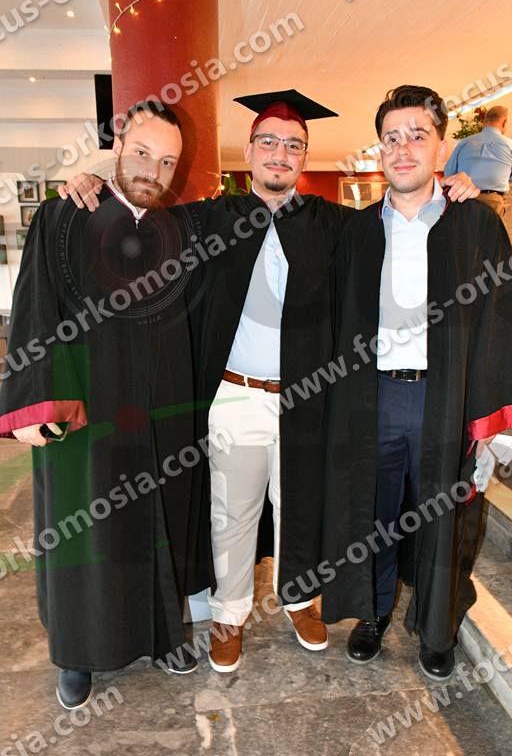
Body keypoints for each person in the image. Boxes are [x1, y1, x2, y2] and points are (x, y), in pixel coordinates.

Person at [60, 89, 479, 674]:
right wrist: (93, 177)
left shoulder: (334, 224)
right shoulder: (207, 219)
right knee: (231, 512)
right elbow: (140, 209)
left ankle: (300, 600)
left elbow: (401, 213)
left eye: (293, 145)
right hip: (234, 395)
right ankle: (229, 616)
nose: (280, 153)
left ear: (303, 156)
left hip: (309, 403)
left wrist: (456, 187)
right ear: (251, 149)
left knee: (301, 506)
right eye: (268, 142)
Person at [0, 100, 207, 710]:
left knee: (155, 526)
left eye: (166, 161)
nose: (153, 169)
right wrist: (36, 404)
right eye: (142, 152)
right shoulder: (65, 216)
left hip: (158, 414)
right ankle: (77, 652)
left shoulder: (175, 231)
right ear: (118, 145)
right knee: (82, 530)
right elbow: (35, 307)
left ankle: (162, 635)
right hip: (85, 415)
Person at [322, 85, 512, 681]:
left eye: (417, 136)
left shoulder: (475, 223)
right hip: (372, 398)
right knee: (374, 514)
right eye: (391, 138)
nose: (403, 149)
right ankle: (373, 614)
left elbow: (498, 321)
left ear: (441, 148)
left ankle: (437, 628)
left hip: (444, 397)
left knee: (443, 518)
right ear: (379, 149)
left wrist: (490, 420)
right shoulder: (355, 232)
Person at [444, 105, 512, 218]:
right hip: (493, 202)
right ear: (504, 123)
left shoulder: (464, 143)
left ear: (484, 122)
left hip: (463, 200)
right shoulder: (509, 145)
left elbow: (448, 173)